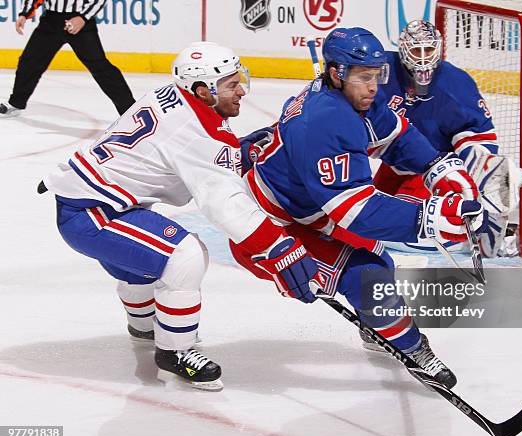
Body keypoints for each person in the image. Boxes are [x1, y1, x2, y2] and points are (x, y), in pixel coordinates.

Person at [41, 42, 319, 391]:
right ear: (203, 91)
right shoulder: (201, 133)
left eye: (240, 79)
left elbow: (178, 147)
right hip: (93, 213)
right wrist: (278, 246)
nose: (242, 90)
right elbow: (223, 202)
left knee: (145, 256)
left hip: (91, 200)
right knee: (185, 255)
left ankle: (144, 325)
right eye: (232, 84)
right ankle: (175, 352)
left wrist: (234, 151)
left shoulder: (172, 94)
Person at [233, 27, 488, 389]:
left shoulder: (354, 98)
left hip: (304, 210)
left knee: (380, 261)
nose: (374, 86)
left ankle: (380, 328)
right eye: (365, 77)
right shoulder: (324, 120)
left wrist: (438, 168)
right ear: (337, 73)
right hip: (265, 227)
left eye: (378, 75)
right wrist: (428, 218)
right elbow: (356, 211)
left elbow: (395, 135)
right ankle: (415, 351)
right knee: (366, 275)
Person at [374, 20, 522, 257]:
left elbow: (477, 136)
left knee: (397, 225)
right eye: (416, 50)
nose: (423, 58)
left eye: (429, 50)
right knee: (362, 216)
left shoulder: (455, 83)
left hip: (431, 167)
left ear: (439, 48)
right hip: (394, 164)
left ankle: (481, 223)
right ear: (403, 49)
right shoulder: (381, 71)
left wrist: (477, 175)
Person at [0, 0, 135, 117]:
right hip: (51, 20)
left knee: (100, 67)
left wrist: (83, 17)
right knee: (30, 61)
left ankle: (130, 110)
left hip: (80, 21)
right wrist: (24, 13)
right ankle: (16, 102)